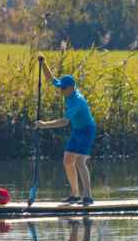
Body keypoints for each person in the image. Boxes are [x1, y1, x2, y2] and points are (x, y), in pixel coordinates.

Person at [34, 56, 96, 205]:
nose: (60, 90)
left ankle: (88, 196)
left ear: (71, 88)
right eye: (60, 87)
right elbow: (51, 79)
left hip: (87, 130)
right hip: (77, 130)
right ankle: (75, 194)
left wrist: (43, 124)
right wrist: (43, 63)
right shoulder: (67, 89)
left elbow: (64, 122)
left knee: (80, 162)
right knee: (68, 161)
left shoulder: (77, 101)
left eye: (63, 88)